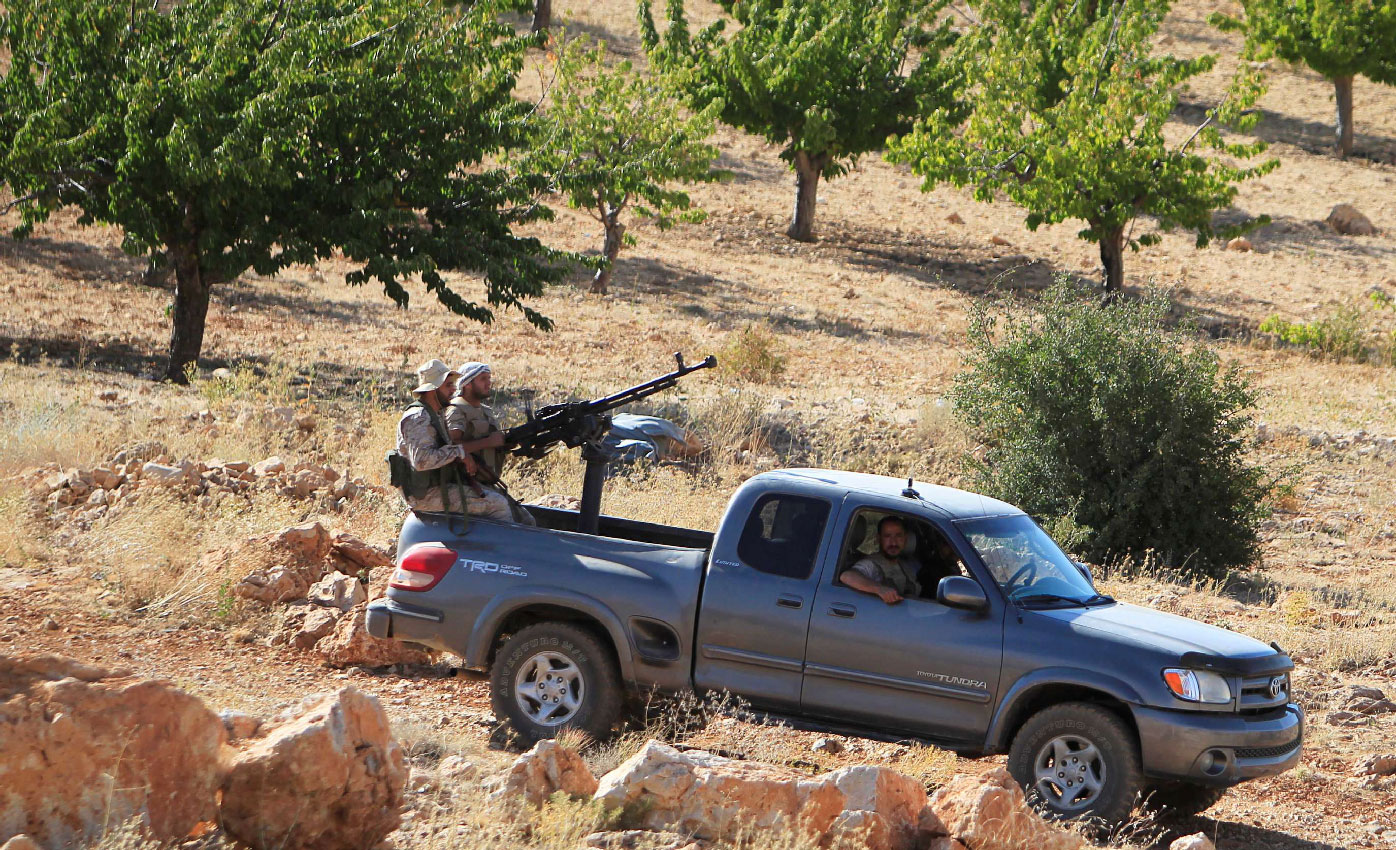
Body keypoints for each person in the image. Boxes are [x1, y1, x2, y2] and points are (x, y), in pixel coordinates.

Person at [395, 359, 512, 521]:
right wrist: (460, 452)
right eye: (448, 385)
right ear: (432, 390)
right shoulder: (418, 417)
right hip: (426, 495)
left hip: (440, 484)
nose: (453, 389)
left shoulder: (436, 413)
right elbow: (422, 460)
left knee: (502, 497)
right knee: (498, 505)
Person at [446, 361, 535, 525]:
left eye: (489, 378)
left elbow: (493, 443)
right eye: (482, 379)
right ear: (467, 384)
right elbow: (451, 447)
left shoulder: (485, 411)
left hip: (489, 482)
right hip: (468, 483)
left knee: (527, 521)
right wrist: (488, 442)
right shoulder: (456, 410)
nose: (488, 383)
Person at [841, 515, 921, 604]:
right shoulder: (871, 564)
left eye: (898, 536)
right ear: (878, 539)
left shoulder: (908, 565)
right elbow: (847, 576)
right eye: (887, 536)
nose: (893, 542)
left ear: (905, 539)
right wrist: (879, 589)